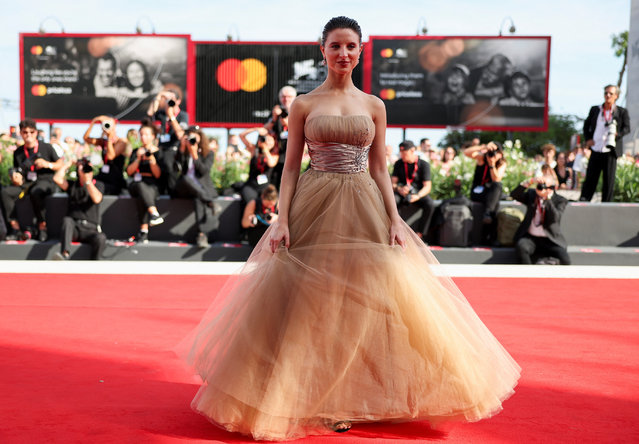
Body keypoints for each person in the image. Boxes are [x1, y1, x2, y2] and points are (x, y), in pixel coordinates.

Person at [180, 16, 519, 441]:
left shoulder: (375, 105)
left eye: (351, 47)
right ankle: (321, 399)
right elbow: (289, 169)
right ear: (322, 50)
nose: (343, 53)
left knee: (371, 301)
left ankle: (367, 396)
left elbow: (379, 166)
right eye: (336, 45)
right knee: (310, 305)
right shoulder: (303, 104)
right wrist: (282, 219)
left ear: (360, 52)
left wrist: (395, 218)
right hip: (314, 203)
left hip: (365, 205)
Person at [0, 119, 63, 241]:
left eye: (31, 132)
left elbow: (60, 163)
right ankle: (15, 228)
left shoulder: (46, 147)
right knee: (5, 192)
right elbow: (17, 171)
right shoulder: (18, 152)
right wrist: (16, 178)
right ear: (21, 133)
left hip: (45, 181)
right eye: (25, 132)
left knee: (37, 191)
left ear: (36, 133)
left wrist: (47, 164)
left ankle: (42, 227)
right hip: (27, 183)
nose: (28, 135)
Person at [580, 84, 631, 202]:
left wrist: (617, 134)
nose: (607, 95)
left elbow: (627, 128)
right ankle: (584, 200)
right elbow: (586, 125)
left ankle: (606, 204)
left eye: (611, 94)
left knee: (609, 180)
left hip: (610, 150)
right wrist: (588, 139)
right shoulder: (595, 109)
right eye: (606, 93)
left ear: (616, 96)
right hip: (596, 148)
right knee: (591, 177)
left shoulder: (621, 112)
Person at [511, 166, 570, 265]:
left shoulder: (560, 200)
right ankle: (529, 274)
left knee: (565, 259)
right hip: (531, 238)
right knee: (522, 247)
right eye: (539, 185)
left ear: (551, 188)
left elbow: (555, 218)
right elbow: (514, 195)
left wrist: (547, 199)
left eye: (543, 186)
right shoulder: (532, 195)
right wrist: (530, 181)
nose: (540, 188)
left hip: (550, 239)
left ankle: (548, 262)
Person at [52, 158, 107, 260]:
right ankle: (64, 254)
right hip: (74, 227)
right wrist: (68, 164)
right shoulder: (73, 185)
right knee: (67, 220)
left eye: (88, 168)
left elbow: (97, 199)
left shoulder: (98, 184)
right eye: (83, 167)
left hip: (90, 228)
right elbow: (57, 179)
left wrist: (88, 181)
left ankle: (96, 264)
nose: (86, 170)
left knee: (101, 238)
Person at [172, 126, 218, 248]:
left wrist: (195, 155)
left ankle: (202, 234)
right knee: (186, 178)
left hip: (199, 189)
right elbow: (176, 169)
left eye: (194, 137)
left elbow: (203, 171)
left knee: (198, 199)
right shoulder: (182, 151)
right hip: (183, 187)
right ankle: (209, 201)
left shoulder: (208, 153)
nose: (191, 139)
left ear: (200, 138)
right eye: (189, 137)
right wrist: (182, 148)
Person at [126, 124, 164, 244]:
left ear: (153, 136)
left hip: (152, 185)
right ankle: (154, 213)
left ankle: (143, 231)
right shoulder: (137, 151)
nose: (143, 137)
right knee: (140, 185)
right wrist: (138, 158)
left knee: (142, 195)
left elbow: (158, 175)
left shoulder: (158, 152)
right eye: (141, 134)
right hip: (137, 183)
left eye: (146, 134)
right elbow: (129, 172)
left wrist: (152, 161)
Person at [391, 140, 435, 241]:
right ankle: (396, 230)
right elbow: (392, 183)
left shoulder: (424, 164)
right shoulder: (398, 163)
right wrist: (399, 188)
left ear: (412, 151)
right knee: (392, 201)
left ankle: (420, 234)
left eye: (404, 153)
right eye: (401, 152)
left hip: (417, 193)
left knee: (430, 204)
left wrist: (418, 196)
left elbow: (427, 186)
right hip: (402, 192)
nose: (402, 155)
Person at [464, 140, 507, 243]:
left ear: (500, 154)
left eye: (495, 152)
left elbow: (496, 179)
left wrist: (492, 164)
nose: (491, 154)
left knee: (497, 186)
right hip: (478, 192)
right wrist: (483, 147)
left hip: (490, 193)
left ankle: (487, 216)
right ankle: (488, 220)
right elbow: (466, 152)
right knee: (494, 201)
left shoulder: (501, 163)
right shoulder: (482, 158)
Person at [83, 115, 128, 195]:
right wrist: (93, 122)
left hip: (115, 179)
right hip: (104, 176)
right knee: (86, 182)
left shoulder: (121, 141)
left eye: (109, 124)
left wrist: (110, 139)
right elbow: (86, 138)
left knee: (95, 186)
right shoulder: (103, 142)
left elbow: (111, 156)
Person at [265, 86, 297, 189]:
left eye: (289, 97)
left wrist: (286, 121)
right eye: (283, 97)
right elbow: (264, 129)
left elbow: (301, 130)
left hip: (292, 152)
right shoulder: (276, 111)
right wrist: (274, 118)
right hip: (277, 153)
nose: (286, 99)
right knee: (274, 183)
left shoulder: (298, 110)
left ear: (294, 97)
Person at [238, 127, 279, 203]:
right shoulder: (254, 150)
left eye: (270, 140)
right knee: (251, 202)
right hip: (251, 185)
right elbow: (241, 135)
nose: (268, 142)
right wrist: (256, 129)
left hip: (265, 187)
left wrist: (265, 149)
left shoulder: (274, 154)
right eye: (266, 140)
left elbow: (271, 163)